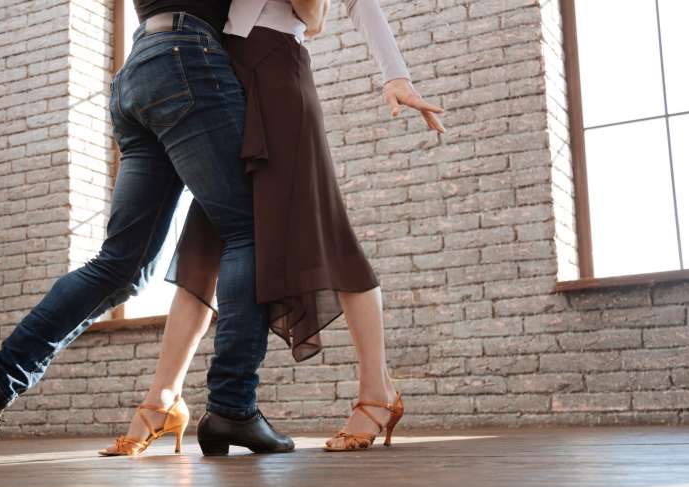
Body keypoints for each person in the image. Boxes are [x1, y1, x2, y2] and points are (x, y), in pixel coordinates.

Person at [0, 2, 296, 463]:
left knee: (122, 265)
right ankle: (234, 406)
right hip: (188, 58)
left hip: (139, 67)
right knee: (251, 230)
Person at [100, 0, 445, 456]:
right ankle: (161, 401)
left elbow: (345, 7)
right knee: (203, 244)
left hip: (276, 75)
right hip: (218, 76)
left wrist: (395, 75)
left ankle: (377, 393)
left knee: (332, 238)